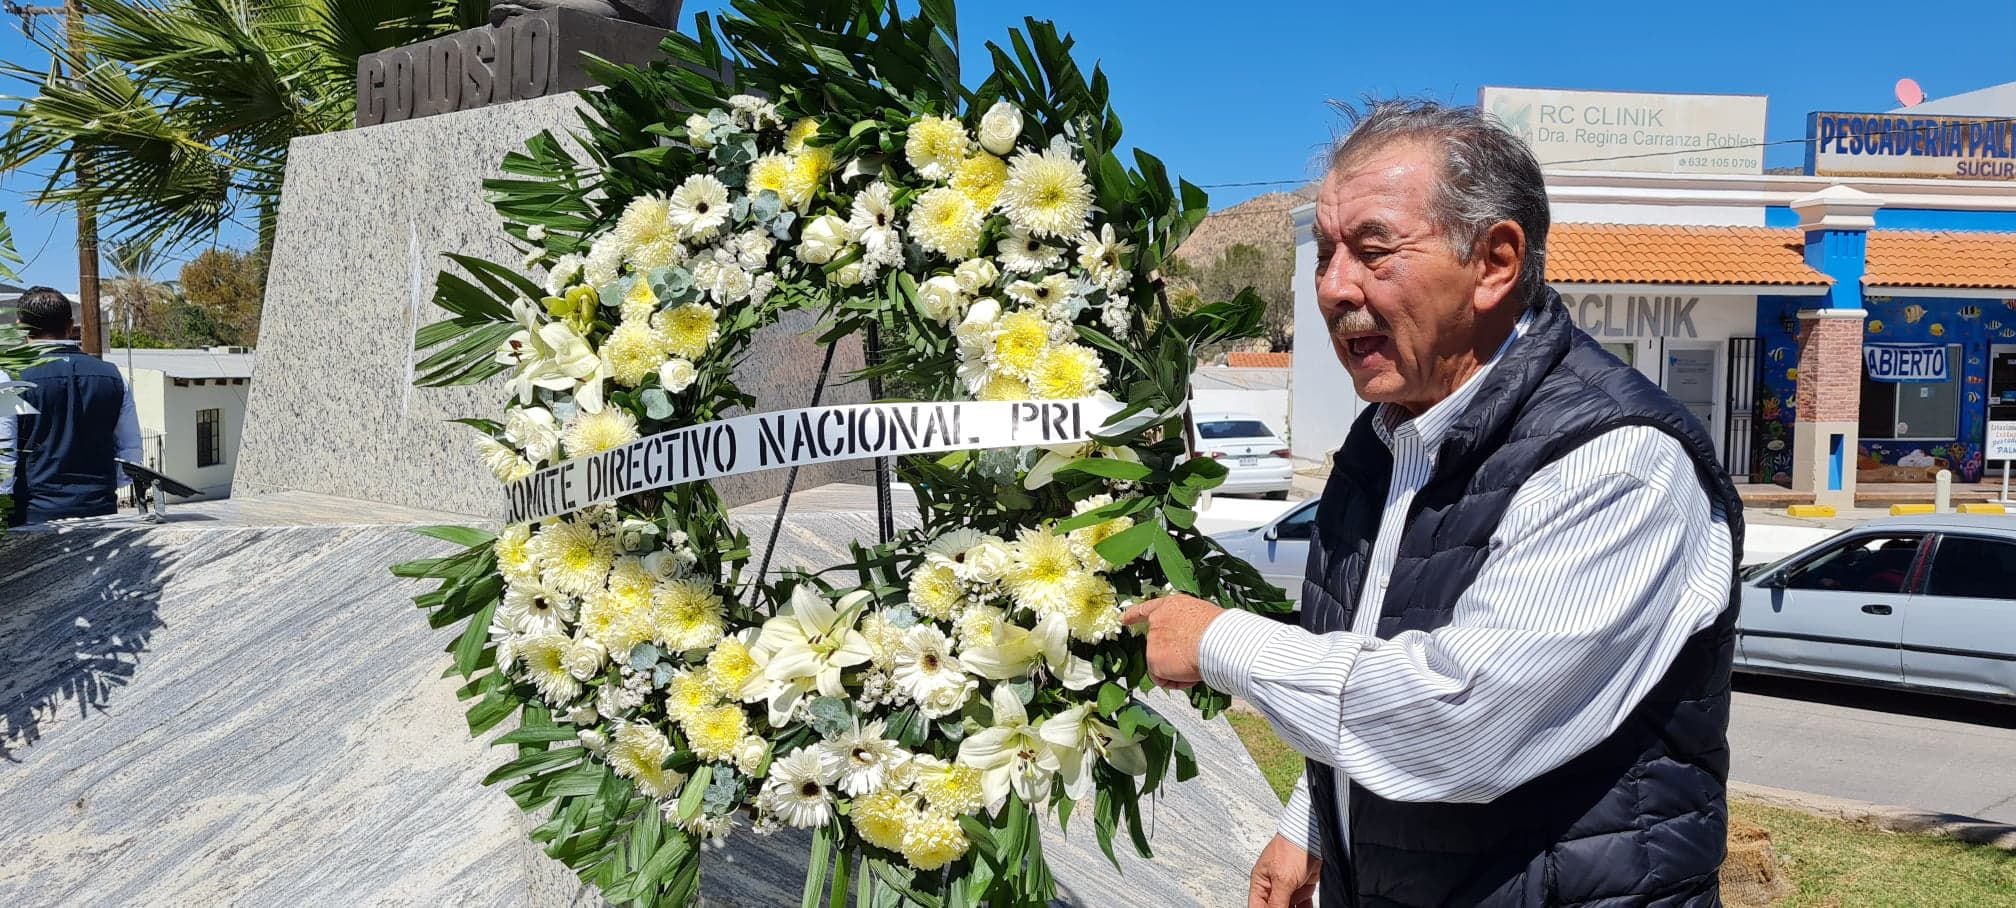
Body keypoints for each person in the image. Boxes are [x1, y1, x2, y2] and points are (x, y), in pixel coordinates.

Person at [1123, 101, 1743, 907]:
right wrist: (1312, 819)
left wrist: (1223, 643)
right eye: (1325, 254)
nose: (1334, 286)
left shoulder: (1616, 461)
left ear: (1494, 262)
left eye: (1374, 251)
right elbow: (1370, 655)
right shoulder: (1385, 444)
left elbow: (1462, 721)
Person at [1, 287, 142, 525]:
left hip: (33, 516)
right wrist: (102, 489)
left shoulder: (9, 378)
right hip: (101, 512)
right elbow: (131, 451)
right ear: (70, 326)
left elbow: (4, 456)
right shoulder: (114, 377)